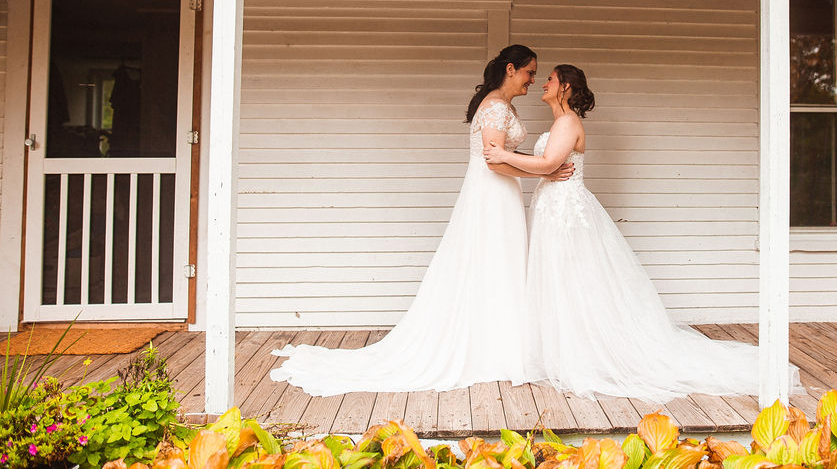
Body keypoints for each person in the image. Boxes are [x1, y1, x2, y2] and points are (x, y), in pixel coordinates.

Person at [484, 64, 802, 403]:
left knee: (574, 278)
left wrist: (504, 154)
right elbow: (548, 168)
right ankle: (561, 349)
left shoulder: (567, 122)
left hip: (566, 213)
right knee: (558, 278)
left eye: (550, 79)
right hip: (553, 209)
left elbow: (549, 165)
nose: (543, 84)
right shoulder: (558, 123)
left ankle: (584, 353)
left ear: (565, 87)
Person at [270, 45, 572, 395]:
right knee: (491, 260)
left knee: (498, 263)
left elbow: (503, 153)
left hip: (500, 191)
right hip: (492, 192)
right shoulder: (494, 107)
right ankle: (491, 348)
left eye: (536, 74)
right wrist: (545, 174)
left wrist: (539, 169)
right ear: (510, 69)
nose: (533, 80)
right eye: (529, 72)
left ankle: (499, 340)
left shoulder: (501, 106)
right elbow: (493, 162)